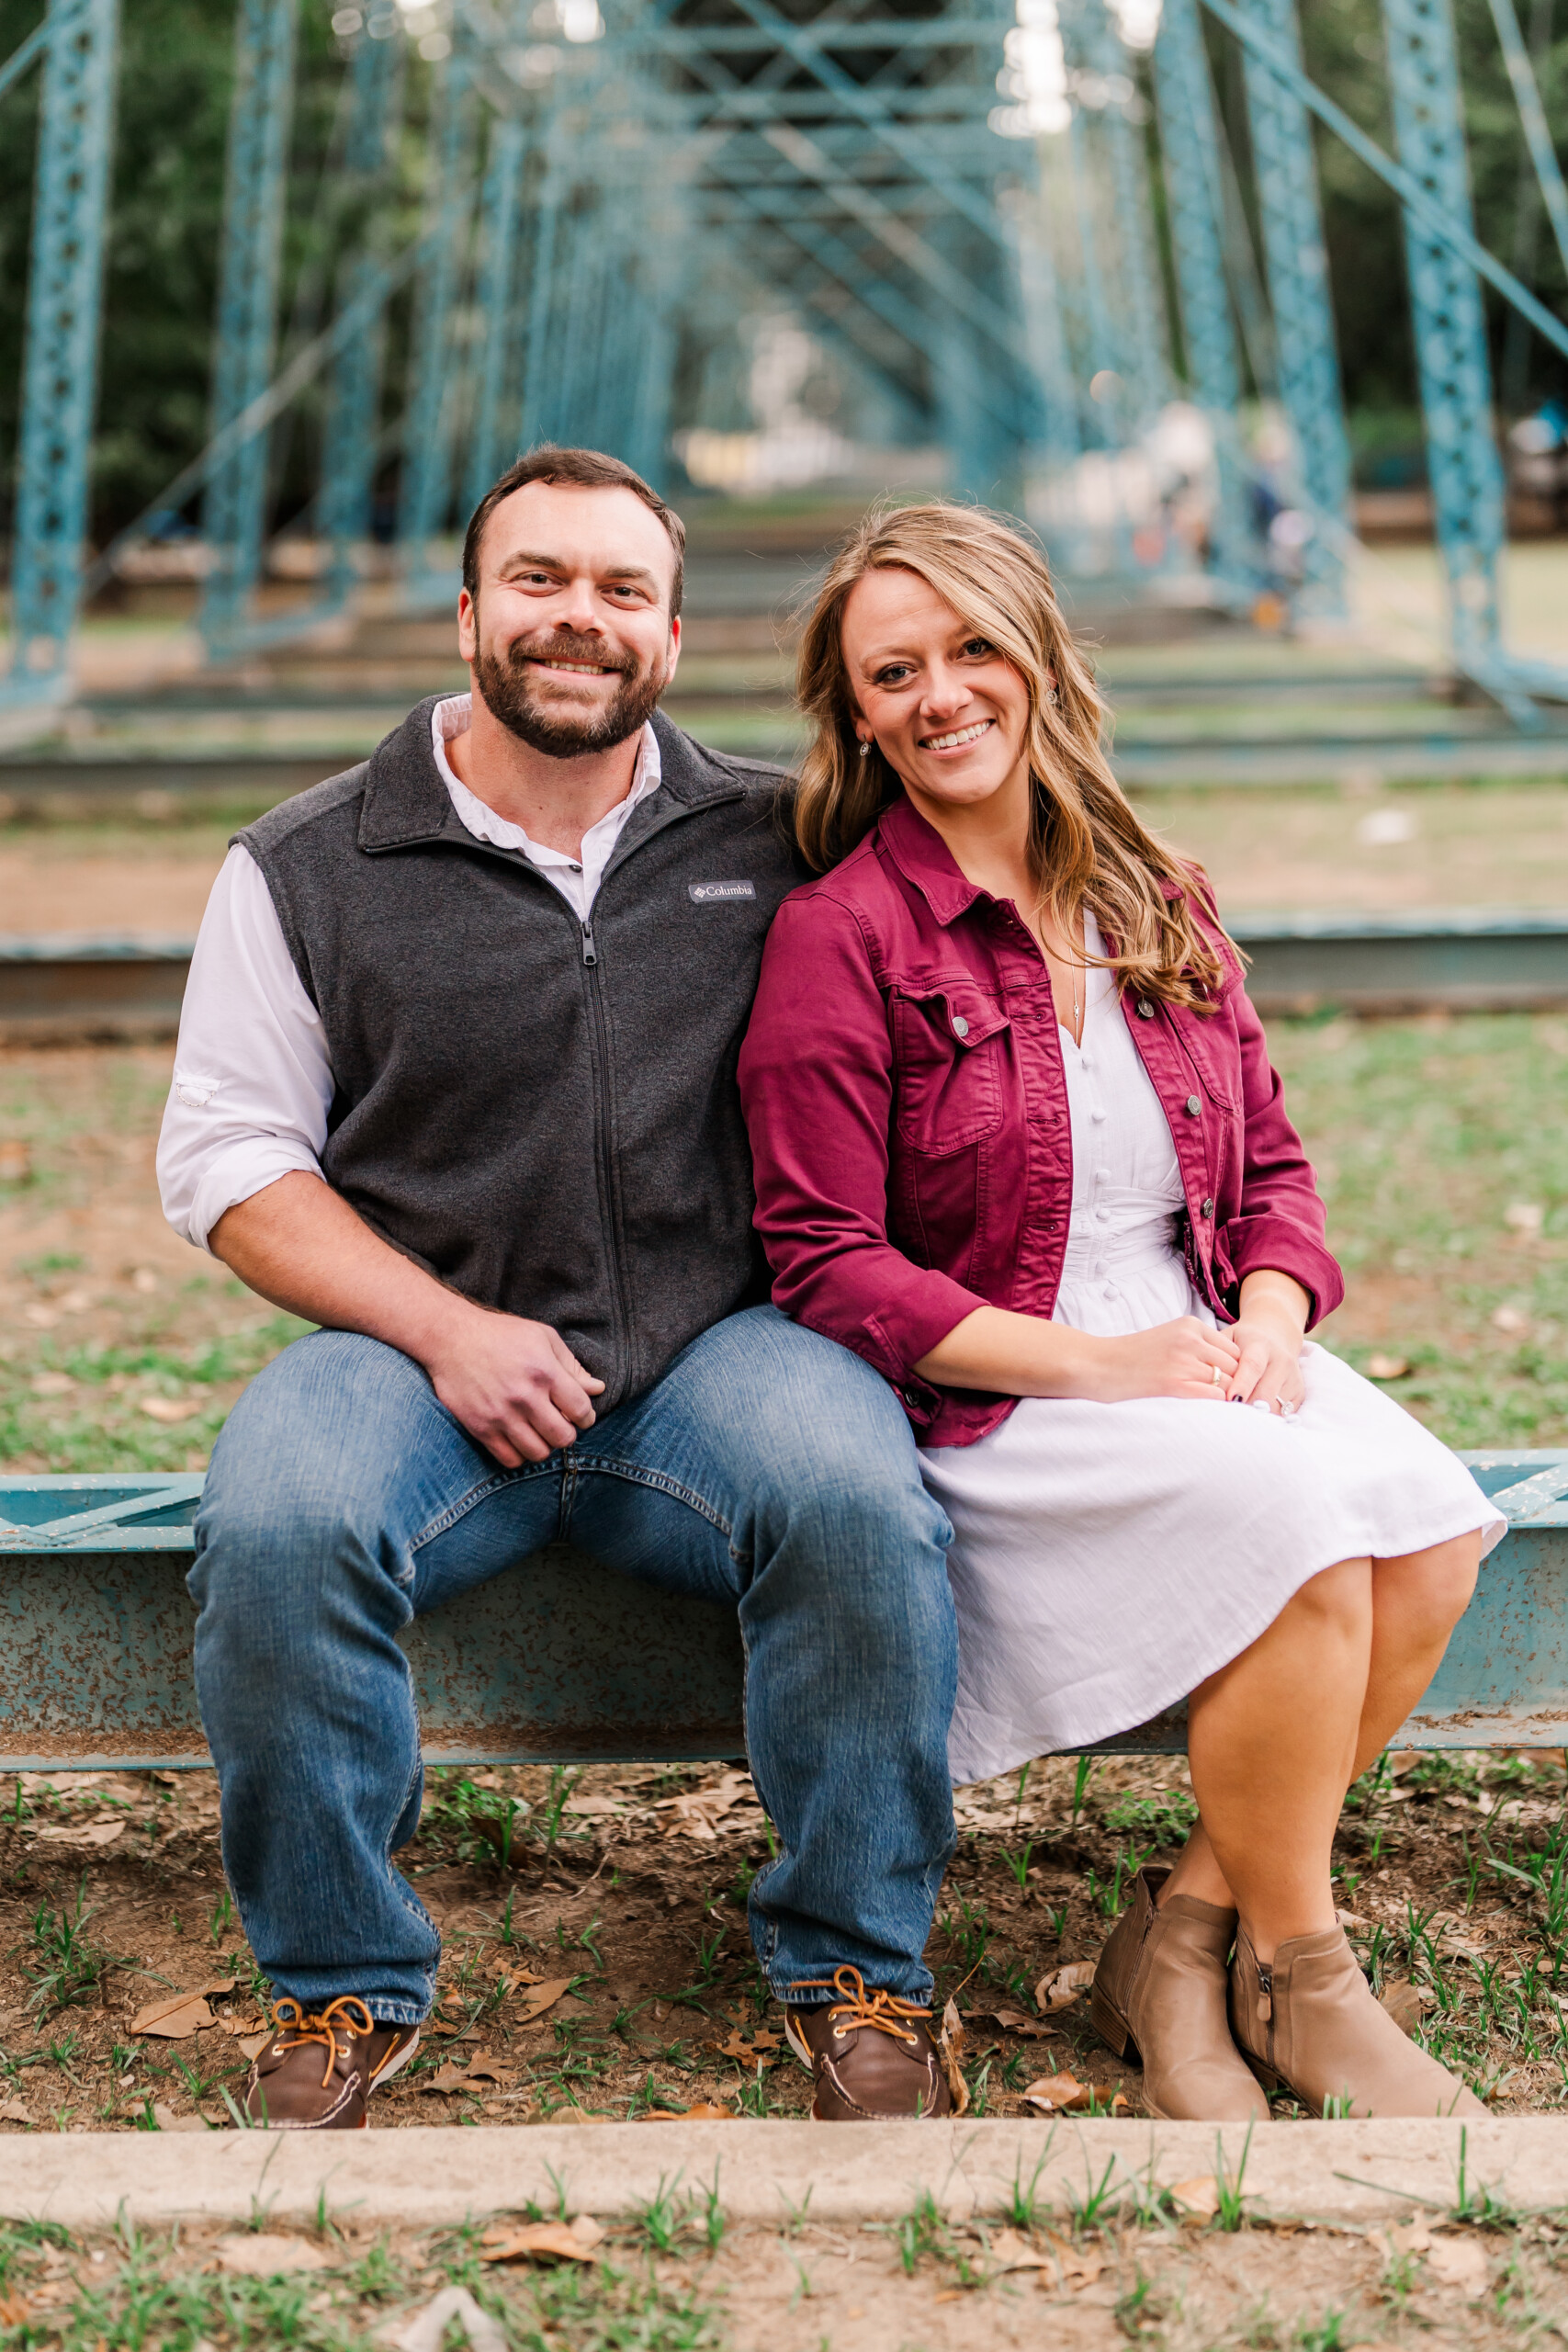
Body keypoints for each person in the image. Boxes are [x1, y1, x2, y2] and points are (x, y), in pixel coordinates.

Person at [156, 448, 966, 2130]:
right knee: (282, 1516)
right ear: (466, 614)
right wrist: (443, 1330)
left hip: (719, 1357)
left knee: (854, 1490)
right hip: (418, 1358)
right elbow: (227, 1163)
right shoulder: (305, 864)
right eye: (537, 581)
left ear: (671, 638)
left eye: (618, 591)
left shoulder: (787, 838)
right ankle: (336, 1991)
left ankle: (859, 1967)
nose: (575, 620)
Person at [738, 501, 1505, 2122]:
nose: (941, 694)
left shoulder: (1156, 891)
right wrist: (1110, 1365)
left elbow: (1276, 1164)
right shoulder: (845, 935)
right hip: (1004, 1385)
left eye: (971, 650)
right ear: (855, 712)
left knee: (1434, 1526)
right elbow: (827, 1260)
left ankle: (1178, 1939)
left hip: (1205, 1336)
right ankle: (1307, 1979)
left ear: (1038, 659)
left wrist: (1282, 1312)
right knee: (1300, 1525)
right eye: (895, 672)